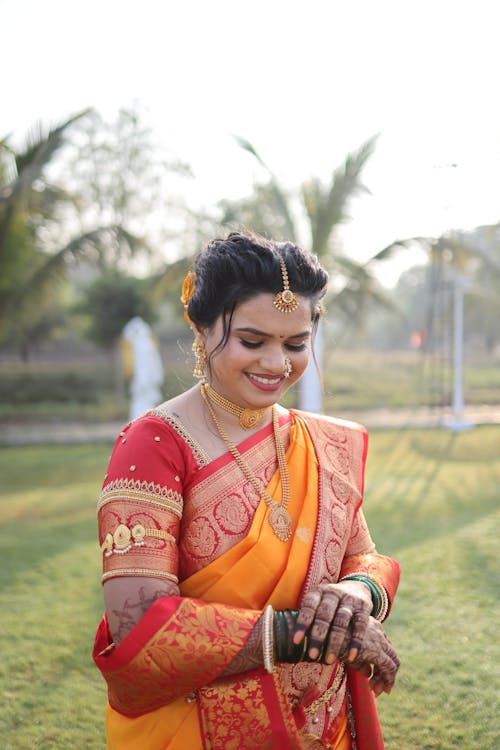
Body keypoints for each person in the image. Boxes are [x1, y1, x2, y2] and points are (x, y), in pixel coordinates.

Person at [93, 232, 401, 750]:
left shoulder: (320, 442)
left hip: (327, 724)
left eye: (296, 344)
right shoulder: (155, 446)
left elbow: (365, 558)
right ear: (201, 326)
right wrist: (303, 634)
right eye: (253, 342)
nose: (277, 364)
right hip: (200, 729)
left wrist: (356, 596)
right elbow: (140, 623)